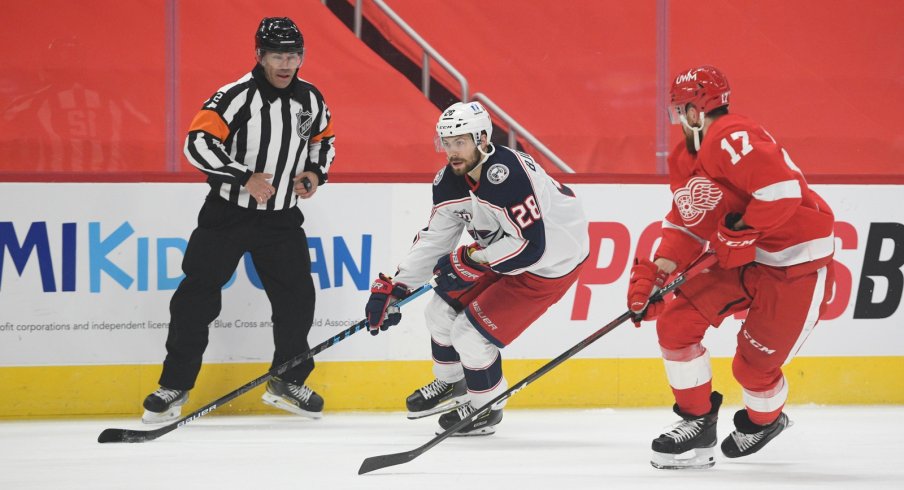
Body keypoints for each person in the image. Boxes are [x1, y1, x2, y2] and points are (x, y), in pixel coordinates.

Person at [627, 65, 835, 469]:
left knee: (752, 369)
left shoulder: (731, 134)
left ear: (696, 109)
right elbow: (685, 222)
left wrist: (744, 227)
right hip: (742, 259)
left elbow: (782, 192)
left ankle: (765, 421)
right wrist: (658, 274)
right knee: (675, 324)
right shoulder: (687, 154)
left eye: (680, 110)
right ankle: (697, 424)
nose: (678, 120)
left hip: (796, 265)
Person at [141, 17, 335, 423]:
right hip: (226, 215)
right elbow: (196, 143)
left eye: (293, 55)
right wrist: (243, 176)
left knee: (297, 299)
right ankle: (174, 385)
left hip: (281, 219)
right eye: (278, 55)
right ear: (260, 56)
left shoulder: (311, 99)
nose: (286, 63)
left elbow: (323, 141)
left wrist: (315, 173)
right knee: (196, 298)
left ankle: (287, 380)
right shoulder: (235, 97)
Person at [364, 101, 589, 436]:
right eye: (447, 143)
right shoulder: (449, 181)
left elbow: (532, 247)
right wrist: (399, 286)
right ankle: (454, 385)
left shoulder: (507, 174)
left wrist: (474, 259)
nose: (452, 152)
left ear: (482, 139)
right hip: (504, 249)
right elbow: (435, 240)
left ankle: (486, 407)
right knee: (438, 313)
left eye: (461, 142)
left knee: (469, 335)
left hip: (550, 262)